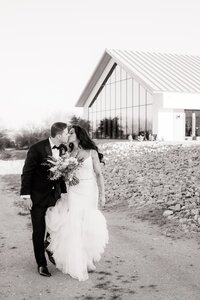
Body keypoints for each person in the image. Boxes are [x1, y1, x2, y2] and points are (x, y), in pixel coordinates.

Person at [45, 125, 109, 281]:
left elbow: (99, 174)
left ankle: (87, 259)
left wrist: (102, 195)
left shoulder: (92, 152)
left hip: (89, 190)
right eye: (68, 133)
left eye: (71, 133)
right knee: (75, 225)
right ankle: (76, 262)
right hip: (75, 192)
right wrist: (68, 178)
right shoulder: (69, 153)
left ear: (79, 135)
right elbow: (65, 174)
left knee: (88, 225)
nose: (69, 135)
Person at [20, 122, 69, 277]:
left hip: (56, 196)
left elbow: (62, 174)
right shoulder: (37, 149)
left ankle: (50, 248)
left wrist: (65, 191)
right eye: (67, 133)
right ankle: (41, 264)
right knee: (39, 231)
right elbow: (27, 172)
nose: (68, 135)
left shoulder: (64, 149)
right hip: (37, 197)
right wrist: (26, 196)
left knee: (57, 227)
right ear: (59, 135)